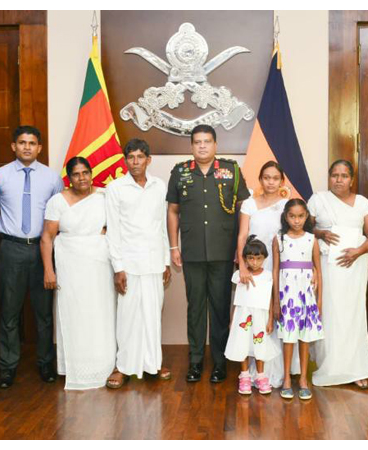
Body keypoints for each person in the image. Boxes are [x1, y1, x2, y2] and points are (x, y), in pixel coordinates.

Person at [167, 124, 250, 383]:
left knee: (219, 308)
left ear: (215, 145)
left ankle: (219, 363)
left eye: (207, 141)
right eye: (197, 142)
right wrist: (173, 246)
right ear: (191, 146)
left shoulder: (232, 171)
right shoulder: (180, 173)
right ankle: (195, 362)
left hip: (223, 251)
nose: (202, 146)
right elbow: (173, 211)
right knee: (196, 309)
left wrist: (240, 250)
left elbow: (242, 210)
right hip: (191, 252)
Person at [0, 126, 64, 389]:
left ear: (39, 148)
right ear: (13, 146)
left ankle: (45, 363)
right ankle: (7, 366)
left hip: (43, 250)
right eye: (22, 143)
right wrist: (3, 228)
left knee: (44, 312)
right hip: (11, 249)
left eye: (32, 143)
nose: (26, 147)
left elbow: (59, 213)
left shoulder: (52, 178)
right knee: (9, 311)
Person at [40, 157, 116, 390]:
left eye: (85, 173)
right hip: (70, 266)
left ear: (91, 174)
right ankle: (75, 367)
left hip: (100, 265)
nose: (82, 178)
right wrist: (48, 270)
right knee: (75, 313)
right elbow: (46, 238)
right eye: (76, 174)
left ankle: (105, 365)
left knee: (101, 313)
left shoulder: (104, 197)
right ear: (69, 177)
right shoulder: (57, 201)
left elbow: (121, 226)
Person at [105, 139, 172, 388]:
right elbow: (113, 230)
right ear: (125, 160)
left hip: (155, 261)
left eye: (140, 157)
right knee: (128, 317)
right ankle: (123, 367)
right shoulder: (116, 188)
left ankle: (153, 363)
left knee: (152, 316)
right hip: (129, 263)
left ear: (148, 159)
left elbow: (162, 225)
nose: (135, 162)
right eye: (131, 157)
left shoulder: (159, 186)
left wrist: (166, 261)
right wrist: (118, 267)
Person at [309, 160, 368, 388]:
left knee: (352, 315)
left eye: (344, 176)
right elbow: (302, 228)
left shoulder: (362, 203)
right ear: (329, 177)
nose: (339, 180)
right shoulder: (318, 200)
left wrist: (357, 252)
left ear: (352, 179)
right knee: (329, 314)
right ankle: (328, 367)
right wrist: (320, 232)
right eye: (334, 175)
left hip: (354, 267)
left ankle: (356, 369)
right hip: (326, 267)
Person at [235, 161, 299, 387]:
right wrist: (242, 265)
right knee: (255, 315)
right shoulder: (249, 204)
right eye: (266, 177)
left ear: (282, 181)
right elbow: (243, 236)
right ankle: (255, 371)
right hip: (254, 265)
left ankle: (278, 370)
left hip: (280, 264)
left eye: (275, 178)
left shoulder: (286, 206)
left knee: (276, 311)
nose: (270, 182)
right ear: (260, 180)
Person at [273, 199, 323, 400]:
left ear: (306, 217)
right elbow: (276, 270)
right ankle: (286, 378)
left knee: (305, 337)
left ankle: (303, 379)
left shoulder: (312, 239)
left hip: (306, 295)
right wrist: (276, 300)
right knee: (288, 338)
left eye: (301, 216)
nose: (296, 220)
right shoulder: (279, 239)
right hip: (287, 295)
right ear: (286, 216)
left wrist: (319, 302)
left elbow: (319, 271)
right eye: (292, 216)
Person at [225, 236, 280, 395]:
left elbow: (269, 299)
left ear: (264, 258)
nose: (254, 262)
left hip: (260, 317)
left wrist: (270, 319)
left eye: (258, 258)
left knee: (259, 344)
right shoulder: (240, 276)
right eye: (250, 258)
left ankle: (260, 376)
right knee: (242, 344)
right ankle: (244, 376)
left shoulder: (268, 275)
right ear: (245, 259)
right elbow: (237, 300)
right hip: (243, 317)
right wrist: (232, 319)